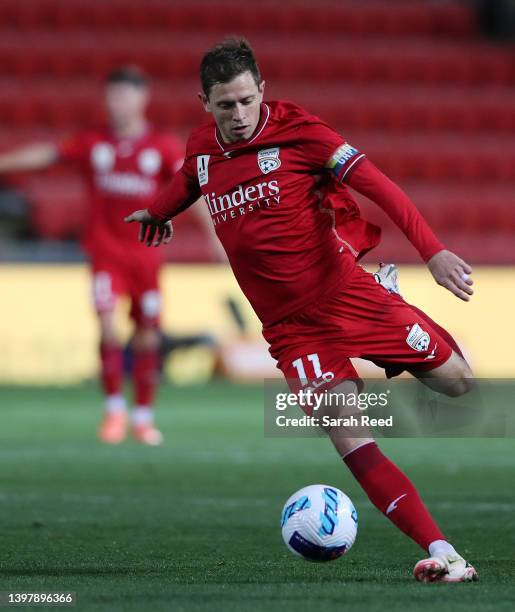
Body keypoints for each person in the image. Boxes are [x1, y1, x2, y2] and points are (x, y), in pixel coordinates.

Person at [125, 38, 478, 582]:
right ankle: (444, 553)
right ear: (205, 103)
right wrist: (159, 210)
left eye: (247, 101)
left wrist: (432, 252)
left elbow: (378, 185)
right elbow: (189, 180)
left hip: (348, 296)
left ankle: (392, 297)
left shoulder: (302, 133)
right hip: (290, 331)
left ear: (262, 90)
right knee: (350, 436)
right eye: (226, 106)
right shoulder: (202, 148)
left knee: (458, 385)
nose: (239, 116)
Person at [0, 67, 185, 446]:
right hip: (105, 254)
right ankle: (115, 410)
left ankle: (144, 417)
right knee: (106, 326)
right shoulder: (92, 141)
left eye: (125, 97)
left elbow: (192, 185)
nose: (118, 104)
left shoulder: (163, 146)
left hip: (146, 257)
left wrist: (216, 232)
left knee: (148, 335)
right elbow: (47, 155)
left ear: (142, 98)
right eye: (112, 97)